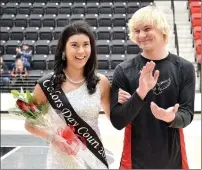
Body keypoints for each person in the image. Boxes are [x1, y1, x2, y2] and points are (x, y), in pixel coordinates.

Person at [24, 21, 128, 169]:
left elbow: (116, 120)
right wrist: (53, 138)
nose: (81, 51)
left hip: (93, 159)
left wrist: (125, 103)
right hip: (60, 160)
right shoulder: (46, 84)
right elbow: (29, 124)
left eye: (86, 44)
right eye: (74, 45)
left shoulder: (101, 82)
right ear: (63, 49)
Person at [110, 5, 195, 169]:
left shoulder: (184, 68)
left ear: (162, 29)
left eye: (147, 28)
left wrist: (170, 117)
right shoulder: (124, 70)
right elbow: (118, 121)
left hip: (173, 159)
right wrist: (140, 93)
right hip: (135, 160)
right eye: (136, 31)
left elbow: (187, 114)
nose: (141, 35)